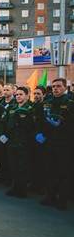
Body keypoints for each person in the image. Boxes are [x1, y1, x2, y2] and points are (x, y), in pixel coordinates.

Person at [35, 78, 74, 210]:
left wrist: (61, 125)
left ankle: (62, 199)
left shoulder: (70, 103)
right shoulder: (48, 102)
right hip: (49, 141)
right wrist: (40, 133)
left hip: (64, 143)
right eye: (53, 87)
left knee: (64, 172)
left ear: (65, 88)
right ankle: (50, 196)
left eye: (58, 86)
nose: (55, 89)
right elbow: (40, 120)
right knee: (49, 170)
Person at [0, 87, 34, 198]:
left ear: (27, 95)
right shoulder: (11, 107)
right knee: (13, 165)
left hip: (24, 142)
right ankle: (15, 187)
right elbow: (3, 122)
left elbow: (32, 127)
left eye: (21, 94)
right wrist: (2, 134)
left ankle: (22, 190)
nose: (18, 96)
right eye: (17, 94)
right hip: (11, 141)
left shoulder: (30, 108)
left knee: (22, 167)